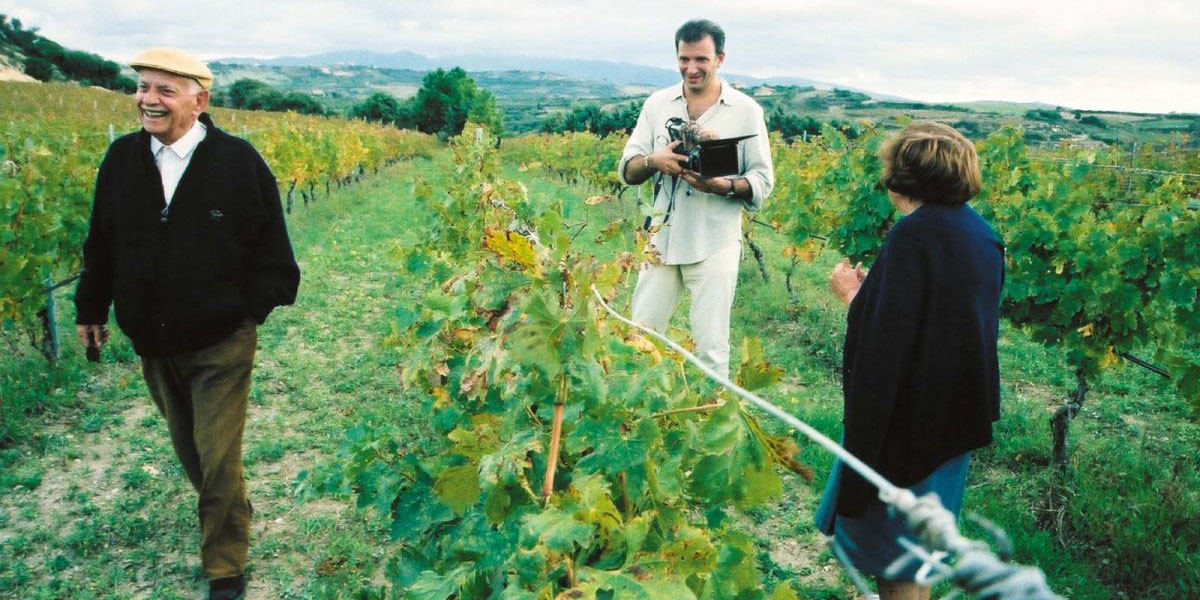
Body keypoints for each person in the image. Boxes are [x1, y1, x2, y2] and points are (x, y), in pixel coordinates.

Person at [74, 47, 300, 600]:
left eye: (164, 90)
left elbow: (276, 258)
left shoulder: (238, 163)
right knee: (192, 451)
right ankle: (230, 510)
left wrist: (244, 312)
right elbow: (101, 242)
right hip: (152, 341)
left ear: (199, 101)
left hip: (222, 342)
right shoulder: (121, 159)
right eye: (143, 87)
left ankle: (225, 566)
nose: (148, 100)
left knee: (218, 455)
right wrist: (90, 308)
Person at [814, 122, 1004, 600]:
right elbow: (938, 324)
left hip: (906, 429)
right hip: (952, 418)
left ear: (903, 177)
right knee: (920, 548)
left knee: (896, 558)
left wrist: (853, 297)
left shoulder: (913, 235)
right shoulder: (979, 233)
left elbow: (887, 339)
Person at [618, 18, 774, 378]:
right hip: (660, 240)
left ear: (720, 58)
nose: (691, 68)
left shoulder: (746, 110)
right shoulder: (657, 105)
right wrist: (653, 161)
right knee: (640, 337)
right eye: (684, 59)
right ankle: (637, 417)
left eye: (701, 59)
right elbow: (627, 169)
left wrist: (725, 186)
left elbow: (762, 181)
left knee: (711, 348)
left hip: (714, 241)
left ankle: (708, 424)